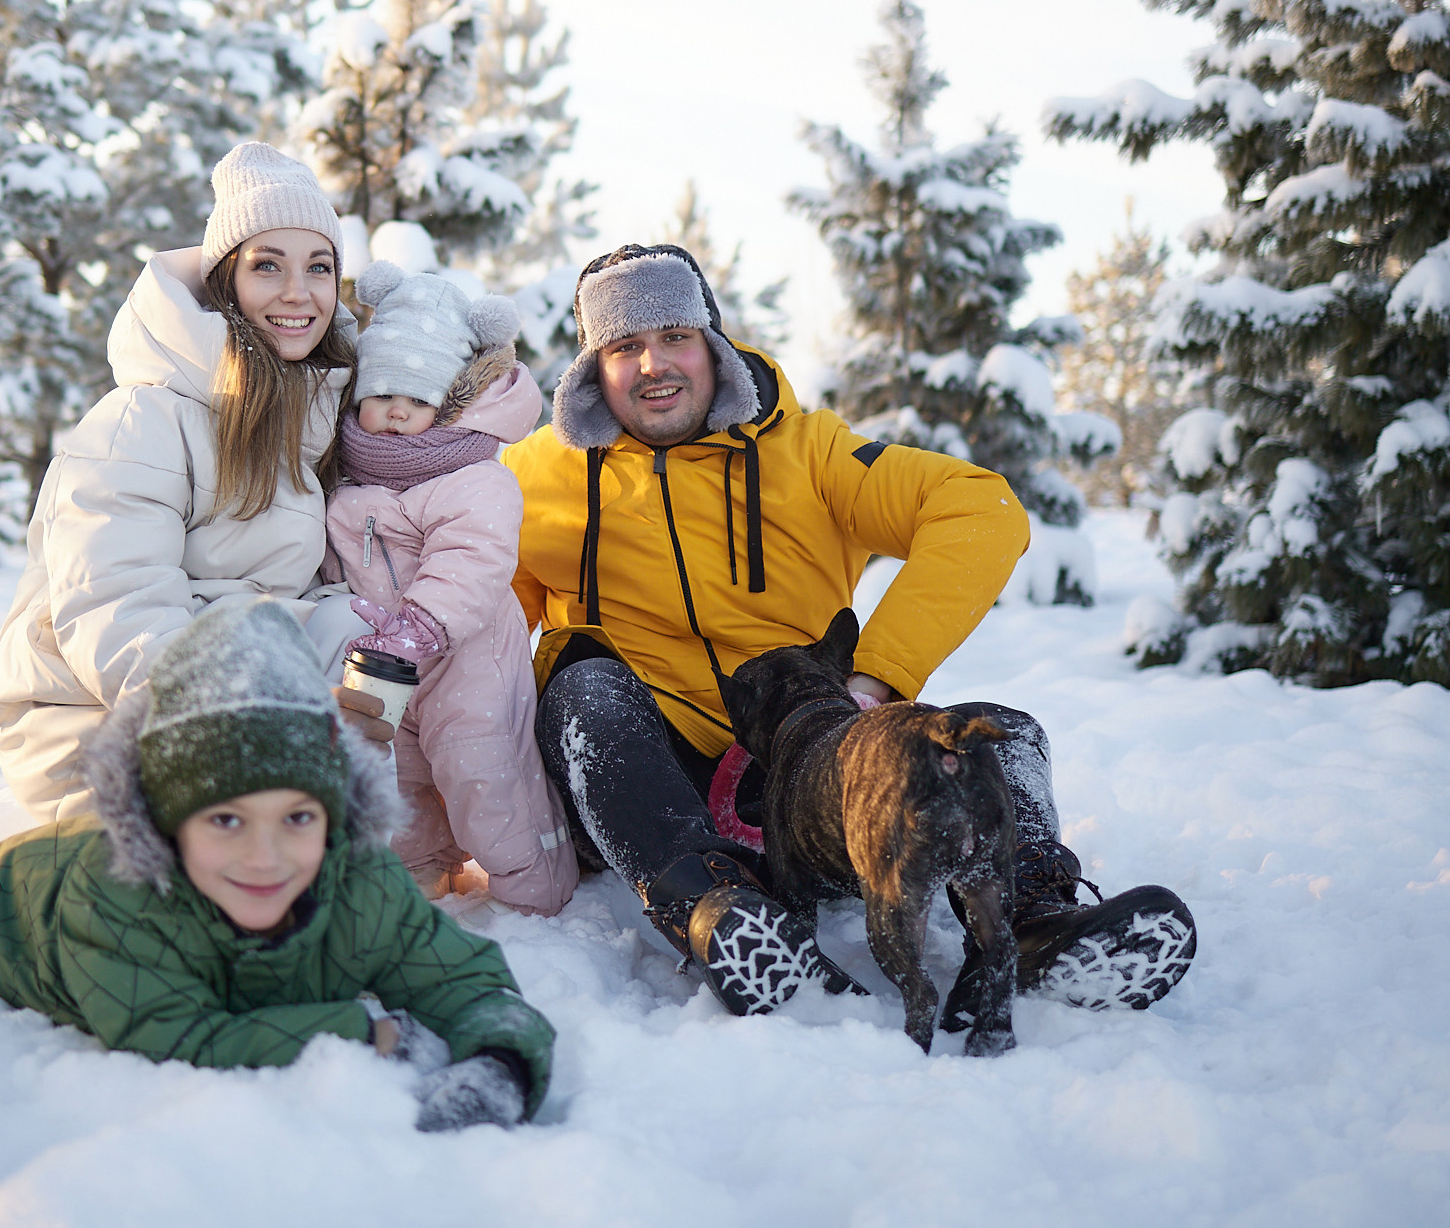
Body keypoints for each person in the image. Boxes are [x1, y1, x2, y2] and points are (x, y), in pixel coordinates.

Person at [504, 243, 1196, 1019]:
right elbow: (477, 623)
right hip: (643, 779)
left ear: (714, 343)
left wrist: (876, 679)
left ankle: (1034, 921)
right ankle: (717, 914)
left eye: (674, 336)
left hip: (808, 770)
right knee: (582, 689)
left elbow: (982, 508)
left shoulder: (809, 453)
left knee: (996, 736)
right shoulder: (534, 480)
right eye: (624, 345)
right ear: (593, 367)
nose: (652, 364)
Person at [0, 599, 554, 1132]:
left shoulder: (359, 881)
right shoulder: (120, 897)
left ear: (337, 813)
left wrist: (499, 1059)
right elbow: (178, 1030)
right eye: (226, 819)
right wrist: (357, 1030)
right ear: (165, 822)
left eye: (296, 818)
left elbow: (464, 978)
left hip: (31, 876)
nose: (265, 855)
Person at [0, 142, 388, 824]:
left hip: (225, 704)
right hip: (90, 720)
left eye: (319, 267)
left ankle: (374, 859)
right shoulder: (142, 418)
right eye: (268, 266)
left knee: (364, 631)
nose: (298, 292)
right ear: (224, 281)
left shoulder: (306, 421)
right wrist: (258, 720)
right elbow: (116, 611)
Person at [325, 262, 577, 915]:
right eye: (382, 393)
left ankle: (535, 882)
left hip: (467, 658)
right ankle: (421, 872)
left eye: (417, 397)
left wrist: (421, 622)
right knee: (399, 773)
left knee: (482, 768)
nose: (397, 411)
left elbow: (475, 556)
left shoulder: (473, 476)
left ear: (448, 403)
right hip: (385, 665)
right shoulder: (351, 484)